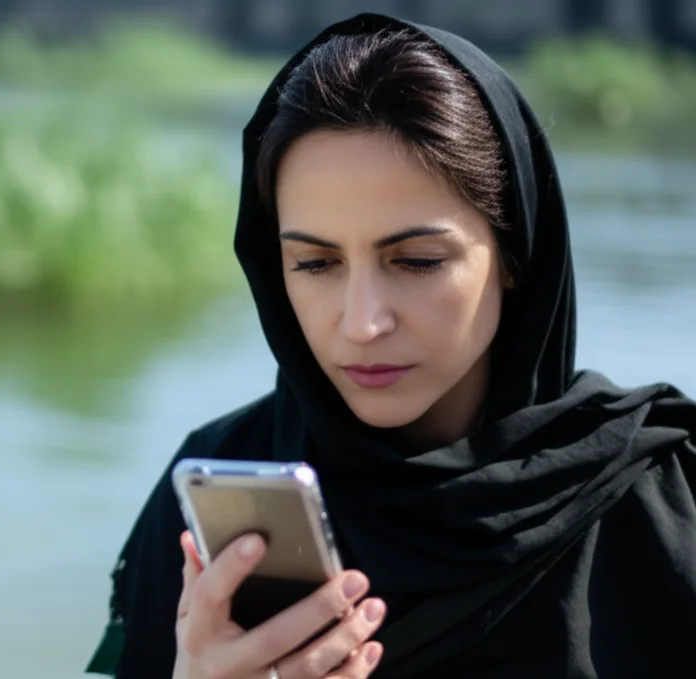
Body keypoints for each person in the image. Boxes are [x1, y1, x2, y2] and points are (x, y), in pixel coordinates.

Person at [85, 12, 696, 679]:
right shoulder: (214, 500)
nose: (362, 323)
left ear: (516, 254)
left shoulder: (669, 500)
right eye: (315, 264)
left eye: (416, 260)